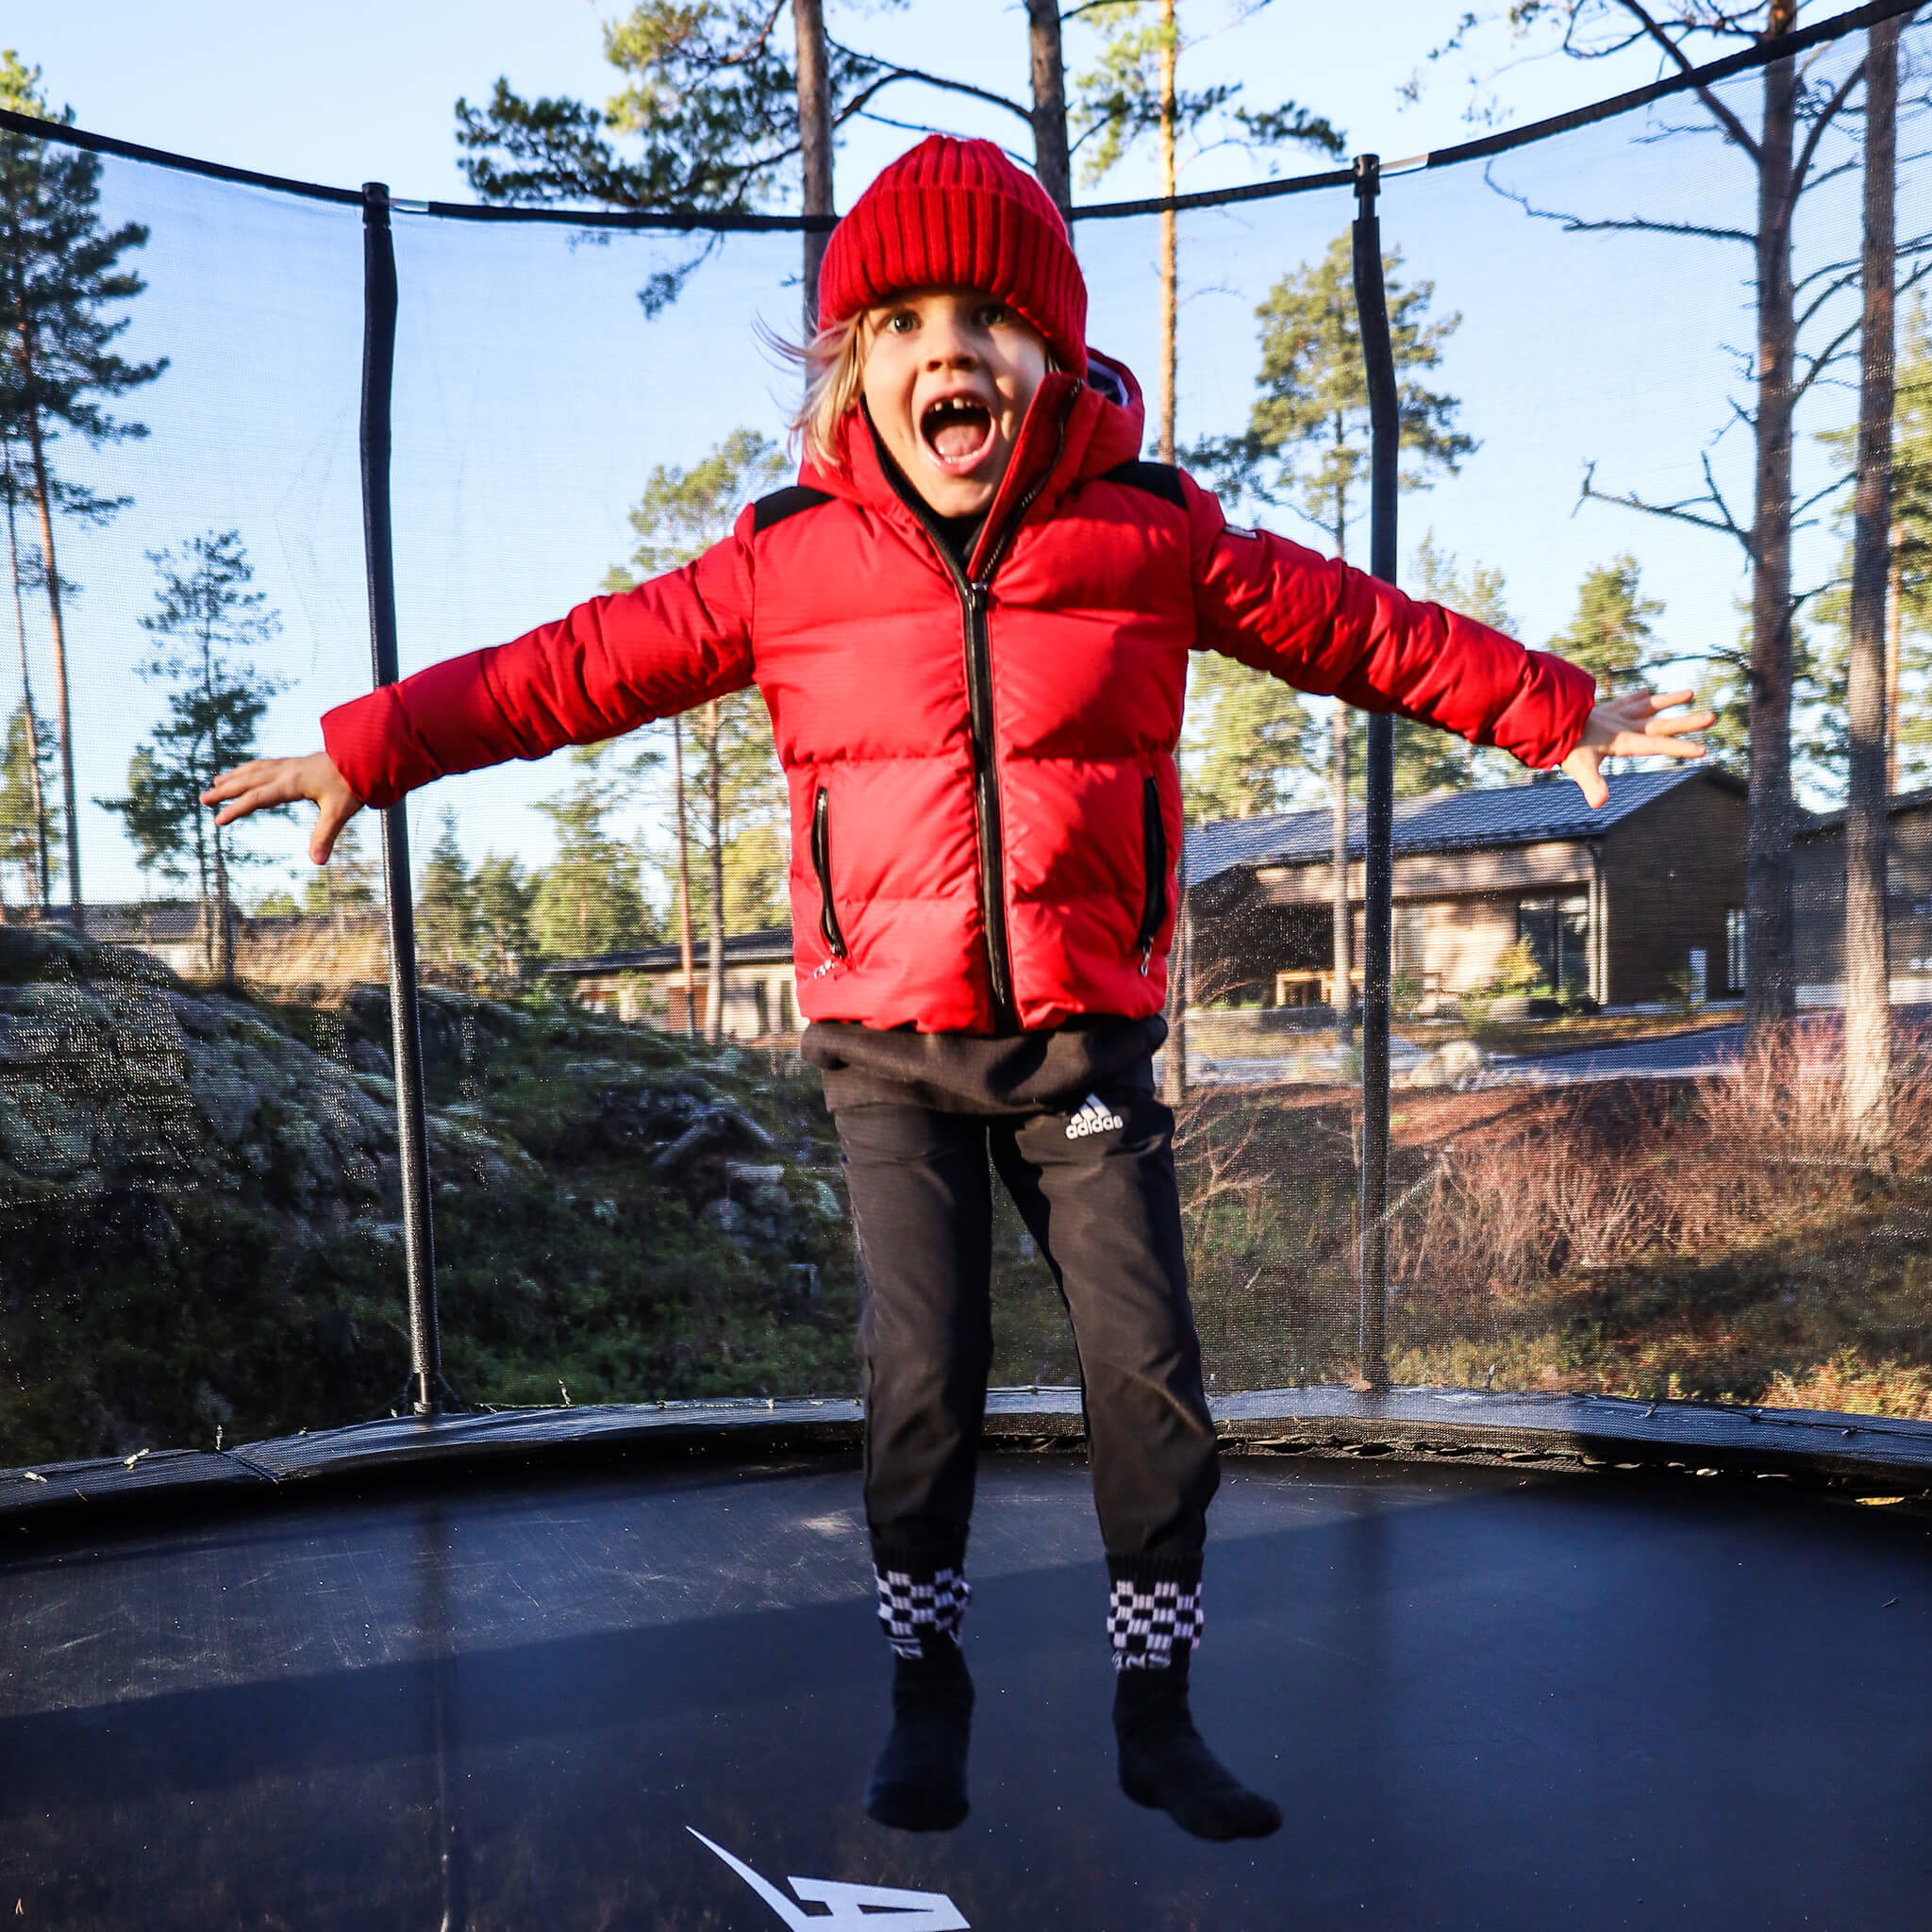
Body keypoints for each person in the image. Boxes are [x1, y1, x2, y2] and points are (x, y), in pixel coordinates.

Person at [205, 135, 1710, 1843]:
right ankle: (928, 1680)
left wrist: (1550, 710)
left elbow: (1355, 626)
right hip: (886, 1049)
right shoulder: (788, 559)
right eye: (906, 320)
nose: (949, 354)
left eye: (988, 318)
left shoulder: (1146, 535)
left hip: (1080, 1037)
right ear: (856, 362)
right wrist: (368, 748)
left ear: (1050, 352)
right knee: (922, 1377)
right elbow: (576, 667)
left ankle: (1158, 1705)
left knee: (1147, 1371)